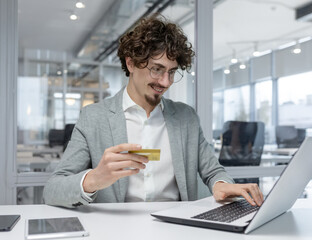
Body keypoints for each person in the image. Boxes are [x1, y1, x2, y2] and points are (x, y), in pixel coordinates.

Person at [43, 14, 263, 208]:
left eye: (171, 72)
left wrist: (221, 185)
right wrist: (93, 180)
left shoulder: (186, 117)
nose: (165, 82)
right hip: (117, 231)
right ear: (131, 63)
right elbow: (52, 190)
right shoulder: (94, 117)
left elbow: (213, 171)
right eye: (156, 70)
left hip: (177, 229)